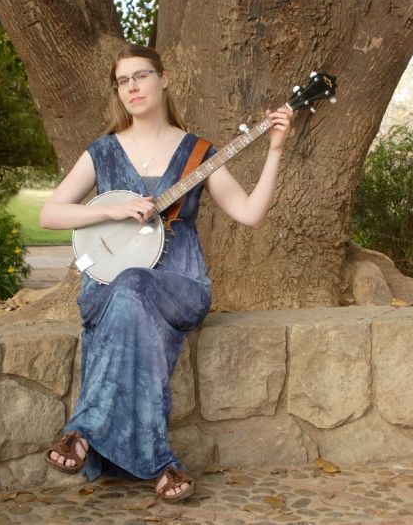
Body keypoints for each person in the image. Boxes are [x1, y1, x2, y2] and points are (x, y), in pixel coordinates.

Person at [39, 43, 292, 503]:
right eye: (123, 81)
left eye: (141, 76)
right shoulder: (103, 151)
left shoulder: (198, 153)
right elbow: (50, 214)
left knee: (135, 286)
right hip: (108, 287)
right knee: (131, 297)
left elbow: (250, 213)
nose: (132, 87)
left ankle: (82, 432)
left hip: (181, 284)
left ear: (164, 79)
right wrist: (111, 210)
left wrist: (274, 149)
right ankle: (160, 463)